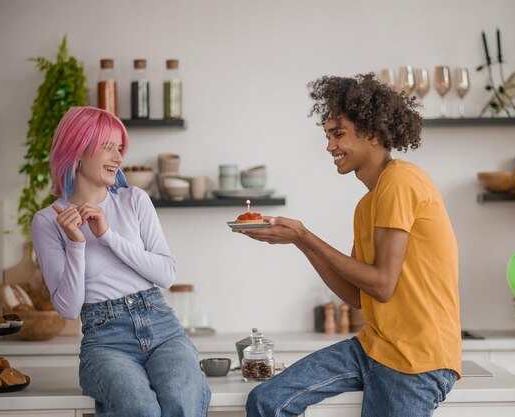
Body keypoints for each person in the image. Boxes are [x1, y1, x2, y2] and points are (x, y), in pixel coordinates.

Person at [239, 73, 461, 417]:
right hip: (374, 346)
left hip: (416, 358)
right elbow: (359, 296)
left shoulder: (400, 181)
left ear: (371, 133)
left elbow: (382, 285)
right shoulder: (367, 205)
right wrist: (301, 243)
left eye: (338, 134)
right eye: (328, 135)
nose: (330, 146)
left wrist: (304, 235)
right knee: (267, 401)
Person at [31, 106, 211, 417]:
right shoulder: (48, 221)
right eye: (107, 147)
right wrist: (76, 243)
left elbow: (166, 273)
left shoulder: (134, 200)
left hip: (161, 325)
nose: (118, 157)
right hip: (106, 340)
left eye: (119, 147)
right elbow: (68, 308)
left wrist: (109, 236)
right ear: (77, 151)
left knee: (182, 401)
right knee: (141, 410)